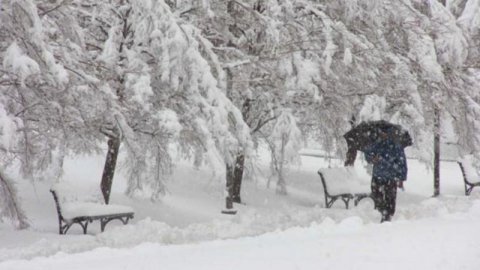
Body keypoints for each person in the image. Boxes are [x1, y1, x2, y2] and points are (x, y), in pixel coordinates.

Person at [364, 129, 407, 222]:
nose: (382, 134)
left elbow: (401, 162)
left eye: (384, 132)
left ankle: (387, 217)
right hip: (378, 176)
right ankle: (381, 215)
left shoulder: (395, 145)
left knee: (389, 199)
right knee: (378, 197)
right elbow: (367, 152)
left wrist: (401, 178)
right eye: (381, 132)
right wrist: (372, 159)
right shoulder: (376, 142)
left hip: (390, 177)